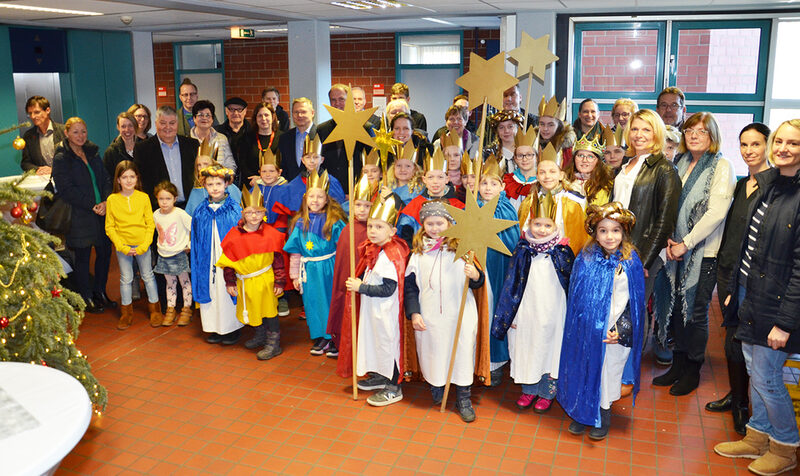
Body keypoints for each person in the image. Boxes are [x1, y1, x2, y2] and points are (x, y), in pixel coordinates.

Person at [713, 119, 800, 476]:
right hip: (750, 292)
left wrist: (784, 322)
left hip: (777, 303)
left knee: (766, 376)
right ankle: (757, 436)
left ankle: (785, 446)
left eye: (793, 143)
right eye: (780, 141)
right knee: (752, 366)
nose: (783, 148)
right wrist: (734, 290)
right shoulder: (769, 185)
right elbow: (747, 244)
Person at [652, 112, 735, 396]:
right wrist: (669, 241)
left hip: (703, 253)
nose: (695, 135)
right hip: (675, 249)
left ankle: (692, 370)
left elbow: (716, 213)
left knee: (695, 313)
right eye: (690, 131)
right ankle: (676, 364)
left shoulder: (721, 166)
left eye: (702, 131)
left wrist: (686, 243)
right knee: (676, 310)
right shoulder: (682, 162)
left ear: (712, 136)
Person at [558, 202, 645, 441]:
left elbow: (635, 304)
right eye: (603, 230)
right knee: (586, 368)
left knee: (607, 375)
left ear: (624, 232)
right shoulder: (585, 259)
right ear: (595, 233)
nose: (609, 236)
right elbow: (576, 297)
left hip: (614, 333)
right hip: (587, 330)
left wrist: (621, 329)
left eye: (615, 230)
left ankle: (602, 415)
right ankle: (582, 412)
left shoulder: (630, 261)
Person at [705, 123, 771, 436]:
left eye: (755, 144)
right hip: (728, 269)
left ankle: (744, 407)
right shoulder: (743, 183)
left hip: (753, 279)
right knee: (732, 342)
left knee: (744, 345)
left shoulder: (776, 188)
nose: (748, 151)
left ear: (768, 146)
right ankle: (737, 395)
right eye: (744, 144)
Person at [405, 200, 489, 421]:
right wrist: (414, 313)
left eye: (439, 223)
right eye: (429, 223)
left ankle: (463, 396)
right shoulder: (418, 253)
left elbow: (479, 284)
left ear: (450, 223)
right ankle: (438, 387)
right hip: (430, 315)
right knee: (434, 352)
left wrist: (475, 276)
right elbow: (411, 288)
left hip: (459, 314)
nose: (434, 228)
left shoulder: (463, 249)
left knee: (461, 353)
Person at [493, 191, 574, 413]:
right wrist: (511, 315)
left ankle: (547, 392)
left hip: (554, 312)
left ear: (556, 228)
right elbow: (512, 286)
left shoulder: (563, 252)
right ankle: (529, 389)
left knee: (550, 349)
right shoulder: (522, 251)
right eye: (538, 224)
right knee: (527, 348)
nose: (542, 230)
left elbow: (569, 285)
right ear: (530, 224)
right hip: (527, 311)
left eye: (548, 226)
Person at [611, 109, 680, 365]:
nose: (639, 135)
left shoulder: (664, 170)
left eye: (646, 129)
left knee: (634, 310)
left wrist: (644, 260)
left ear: (657, 133)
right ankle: (614, 361)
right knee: (616, 308)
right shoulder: (626, 164)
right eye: (635, 129)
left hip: (642, 253)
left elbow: (665, 220)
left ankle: (629, 367)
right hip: (615, 248)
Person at [343, 196, 411, 407]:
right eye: (371, 226)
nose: (372, 230)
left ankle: (393, 387)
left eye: (379, 227)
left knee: (388, 346)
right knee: (377, 343)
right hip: (374, 309)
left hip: (386, 312)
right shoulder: (378, 248)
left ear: (392, 231)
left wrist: (361, 287)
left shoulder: (391, 252)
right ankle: (381, 377)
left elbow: (388, 288)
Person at [51, 117, 113, 314]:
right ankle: (86, 298)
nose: (80, 136)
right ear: (67, 133)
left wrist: (105, 201)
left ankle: (100, 292)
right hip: (79, 214)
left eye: (83, 131)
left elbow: (105, 179)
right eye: (76, 132)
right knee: (83, 258)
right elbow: (66, 189)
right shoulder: (62, 158)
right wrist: (92, 204)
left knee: (104, 253)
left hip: (101, 212)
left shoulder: (93, 152)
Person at [217, 186, 286, 359]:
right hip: (246, 281)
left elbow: (278, 260)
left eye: (258, 212)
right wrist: (230, 282)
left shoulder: (271, 234)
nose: (254, 216)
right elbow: (228, 263)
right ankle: (260, 335)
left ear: (263, 213)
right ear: (243, 214)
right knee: (254, 309)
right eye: (249, 212)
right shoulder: (234, 235)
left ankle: (273, 343)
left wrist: (279, 282)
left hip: (265, 280)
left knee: (269, 311)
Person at [284, 170, 346, 355]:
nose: (316, 200)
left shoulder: (334, 221)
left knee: (330, 302)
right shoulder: (299, 222)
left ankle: (334, 337)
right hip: (309, 270)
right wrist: (295, 275)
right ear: (305, 198)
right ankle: (320, 337)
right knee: (313, 303)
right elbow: (295, 252)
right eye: (312, 196)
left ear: (327, 199)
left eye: (320, 197)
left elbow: (343, 249)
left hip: (329, 268)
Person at [476, 156, 521, 387]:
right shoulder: (472, 205)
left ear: (502, 187)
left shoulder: (505, 209)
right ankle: (477, 359)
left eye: (493, 184)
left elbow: (511, 240)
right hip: (475, 269)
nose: (488, 188)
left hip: (496, 269)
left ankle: (495, 362)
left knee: (493, 310)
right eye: (484, 183)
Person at [105, 161, 162, 329]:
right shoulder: (112, 200)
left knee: (148, 276)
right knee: (126, 279)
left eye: (132, 176)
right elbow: (110, 227)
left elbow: (149, 224)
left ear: (137, 178)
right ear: (118, 180)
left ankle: (155, 310)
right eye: (124, 177)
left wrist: (144, 245)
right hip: (123, 247)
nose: (128, 180)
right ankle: (126, 313)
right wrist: (122, 246)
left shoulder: (143, 197)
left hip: (142, 245)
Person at [190, 164, 242, 344]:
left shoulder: (234, 209)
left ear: (226, 184)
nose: (214, 188)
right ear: (204, 186)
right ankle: (213, 327)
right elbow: (196, 237)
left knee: (226, 288)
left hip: (226, 258)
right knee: (211, 289)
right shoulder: (200, 210)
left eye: (218, 184)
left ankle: (231, 328)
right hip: (207, 259)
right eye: (210, 184)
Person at [327, 174, 374, 359]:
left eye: (367, 206)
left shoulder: (374, 229)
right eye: (358, 205)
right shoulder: (347, 229)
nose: (362, 210)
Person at [518, 144, 589, 256]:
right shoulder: (529, 202)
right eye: (542, 172)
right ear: (537, 176)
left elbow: (579, 238)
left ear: (561, 175)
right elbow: (523, 230)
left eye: (552, 172)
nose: (547, 176)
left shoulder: (573, 203)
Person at [133, 105, 199, 208]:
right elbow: (142, 184)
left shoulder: (192, 145)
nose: (168, 127)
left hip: (190, 207)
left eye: (172, 123)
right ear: (156, 124)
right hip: (159, 210)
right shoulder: (142, 149)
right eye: (163, 123)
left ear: (177, 124)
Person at [397, 148, 464, 244]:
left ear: (447, 179)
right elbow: (405, 233)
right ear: (424, 179)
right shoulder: (415, 204)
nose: (435, 182)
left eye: (440, 177)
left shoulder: (458, 206)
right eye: (430, 177)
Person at [152, 181, 193, 327]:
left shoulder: (180, 214)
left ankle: (187, 309)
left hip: (179, 254)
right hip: (163, 254)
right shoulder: (156, 214)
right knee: (170, 283)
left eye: (168, 199)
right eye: (161, 199)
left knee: (184, 282)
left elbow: (193, 228)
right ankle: (171, 309)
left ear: (175, 199)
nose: (164, 202)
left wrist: (189, 245)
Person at [318, 84, 371, 193]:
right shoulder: (322, 129)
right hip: (329, 191)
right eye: (333, 100)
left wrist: (359, 191)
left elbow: (373, 161)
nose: (337, 103)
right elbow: (318, 162)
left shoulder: (366, 128)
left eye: (341, 99)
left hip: (356, 191)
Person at [184, 141, 242, 217]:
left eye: (205, 164)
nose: (202, 168)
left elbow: (238, 211)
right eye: (199, 165)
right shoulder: (196, 192)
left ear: (213, 164)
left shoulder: (229, 187)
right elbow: (189, 216)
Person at [565, 127, 614, 206]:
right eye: (580, 155)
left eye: (590, 157)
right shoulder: (564, 180)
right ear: (574, 159)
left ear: (598, 161)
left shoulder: (606, 185)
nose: (584, 160)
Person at [238, 102, 281, 189]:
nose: (263, 118)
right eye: (260, 116)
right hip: (252, 184)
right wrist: (257, 179)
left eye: (266, 115)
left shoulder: (282, 138)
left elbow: (284, 164)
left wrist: (266, 179)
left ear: (272, 117)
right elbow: (242, 163)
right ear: (255, 118)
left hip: (277, 185)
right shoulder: (245, 138)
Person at [21, 96, 65, 174]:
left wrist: (54, 169)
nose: (33, 116)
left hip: (65, 179)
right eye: (30, 113)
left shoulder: (63, 131)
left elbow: (74, 158)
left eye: (37, 112)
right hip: (42, 181)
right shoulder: (28, 136)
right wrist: (38, 169)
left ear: (47, 110)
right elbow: (25, 163)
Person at [190, 100, 236, 172]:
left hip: (219, 181)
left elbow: (230, 164)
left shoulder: (222, 139)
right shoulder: (187, 141)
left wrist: (225, 176)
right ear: (194, 118)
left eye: (208, 115)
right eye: (200, 115)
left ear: (212, 119)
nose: (204, 118)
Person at [277, 97, 316, 182]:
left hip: (315, 189)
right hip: (290, 189)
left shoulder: (321, 135)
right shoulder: (284, 138)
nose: (299, 115)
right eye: (296, 112)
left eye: (303, 112)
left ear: (312, 113)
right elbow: (283, 166)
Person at [214, 97, 252, 179]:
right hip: (224, 179)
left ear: (245, 111)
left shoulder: (253, 132)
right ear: (226, 111)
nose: (235, 113)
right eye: (231, 109)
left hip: (249, 179)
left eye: (239, 109)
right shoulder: (217, 133)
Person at [535, 96, 575, 171]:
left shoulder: (568, 150)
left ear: (559, 126)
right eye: (542, 124)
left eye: (551, 125)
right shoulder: (533, 145)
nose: (545, 129)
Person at [504, 125, 538, 212]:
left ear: (537, 157)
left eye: (529, 155)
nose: (524, 159)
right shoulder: (508, 180)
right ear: (515, 158)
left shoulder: (542, 181)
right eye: (520, 155)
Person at [103, 112, 139, 179]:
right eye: (123, 126)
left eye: (130, 125)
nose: (127, 130)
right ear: (118, 127)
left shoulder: (144, 147)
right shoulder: (111, 152)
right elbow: (107, 179)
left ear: (135, 126)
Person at [487, 110, 523, 175]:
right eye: (501, 127)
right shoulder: (489, 154)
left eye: (510, 126)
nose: (506, 131)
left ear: (517, 128)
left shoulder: (526, 153)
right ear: (497, 131)